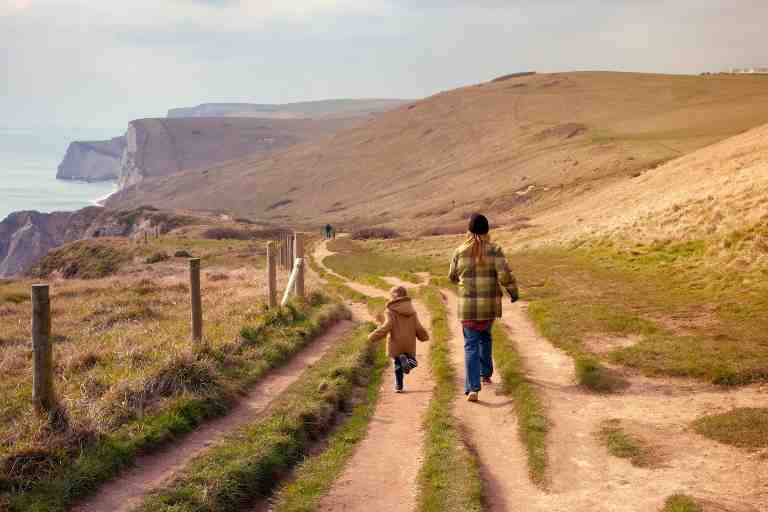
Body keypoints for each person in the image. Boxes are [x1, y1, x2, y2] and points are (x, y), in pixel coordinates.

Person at [449, 213, 519, 402]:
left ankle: (473, 388)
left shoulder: (459, 251)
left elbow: (452, 277)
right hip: (488, 307)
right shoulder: (495, 250)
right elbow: (505, 275)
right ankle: (486, 373)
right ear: (487, 231)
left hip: (468, 308)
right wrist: (513, 292)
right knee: (485, 337)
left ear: (469, 231)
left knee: (470, 345)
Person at [368, 286, 430, 393]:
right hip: (409, 342)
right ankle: (408, 363)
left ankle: (399, 386)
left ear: (393, 297)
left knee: (397, 365)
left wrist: (374, 336)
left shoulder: (390, 311)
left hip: (396, 341)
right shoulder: (412, 310)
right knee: (413, 362)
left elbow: (387, 326)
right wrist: (424, 336)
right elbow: (418, 326)